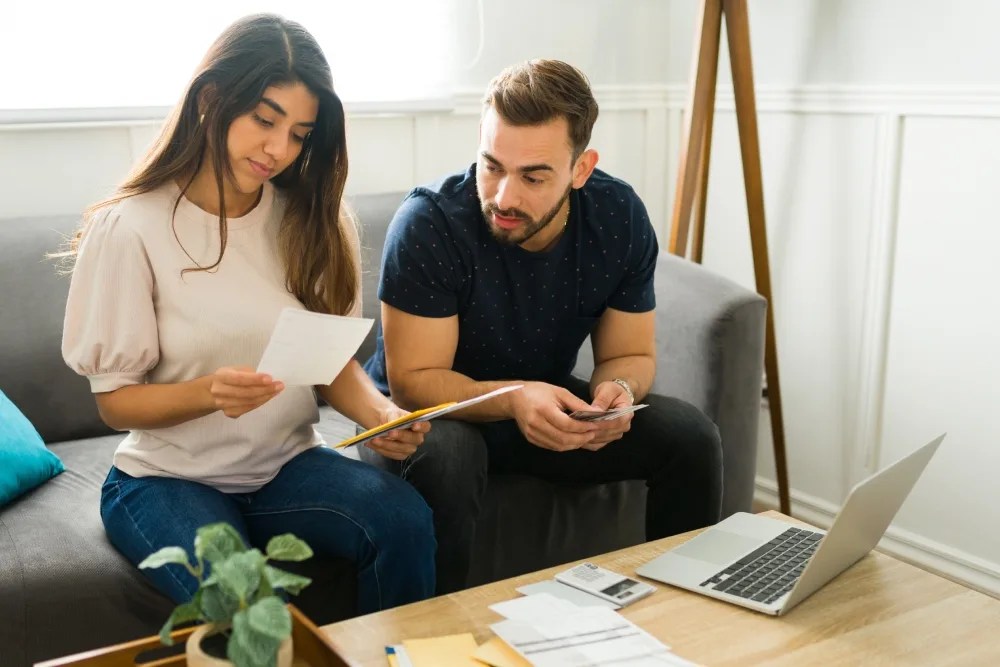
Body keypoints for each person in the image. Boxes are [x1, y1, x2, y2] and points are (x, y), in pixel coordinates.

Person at [60, 13, 436, 614]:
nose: (278, 149)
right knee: (248, 606)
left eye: (299, 134)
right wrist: (209, 393)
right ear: (211, 99)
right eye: (265, 120)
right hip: (166, 481)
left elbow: (327, 363)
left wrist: (383, 414)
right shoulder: (130, 227)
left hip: (286, 469)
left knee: (403, 520)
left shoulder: (308, 220)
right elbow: (115, 401)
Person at [362, 59, 724, 594]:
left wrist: (618, 394)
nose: (505, 197)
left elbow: (631, 356)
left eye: (533, 176)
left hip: (539, 403)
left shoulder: (617, 216)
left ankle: (686, 618)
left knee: (690, 437)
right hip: (429, 413)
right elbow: (416, 380)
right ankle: (434, 647)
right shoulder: (430, 223)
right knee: (451, 456)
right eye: (492, 166)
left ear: (581, 169)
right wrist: (515, 397)